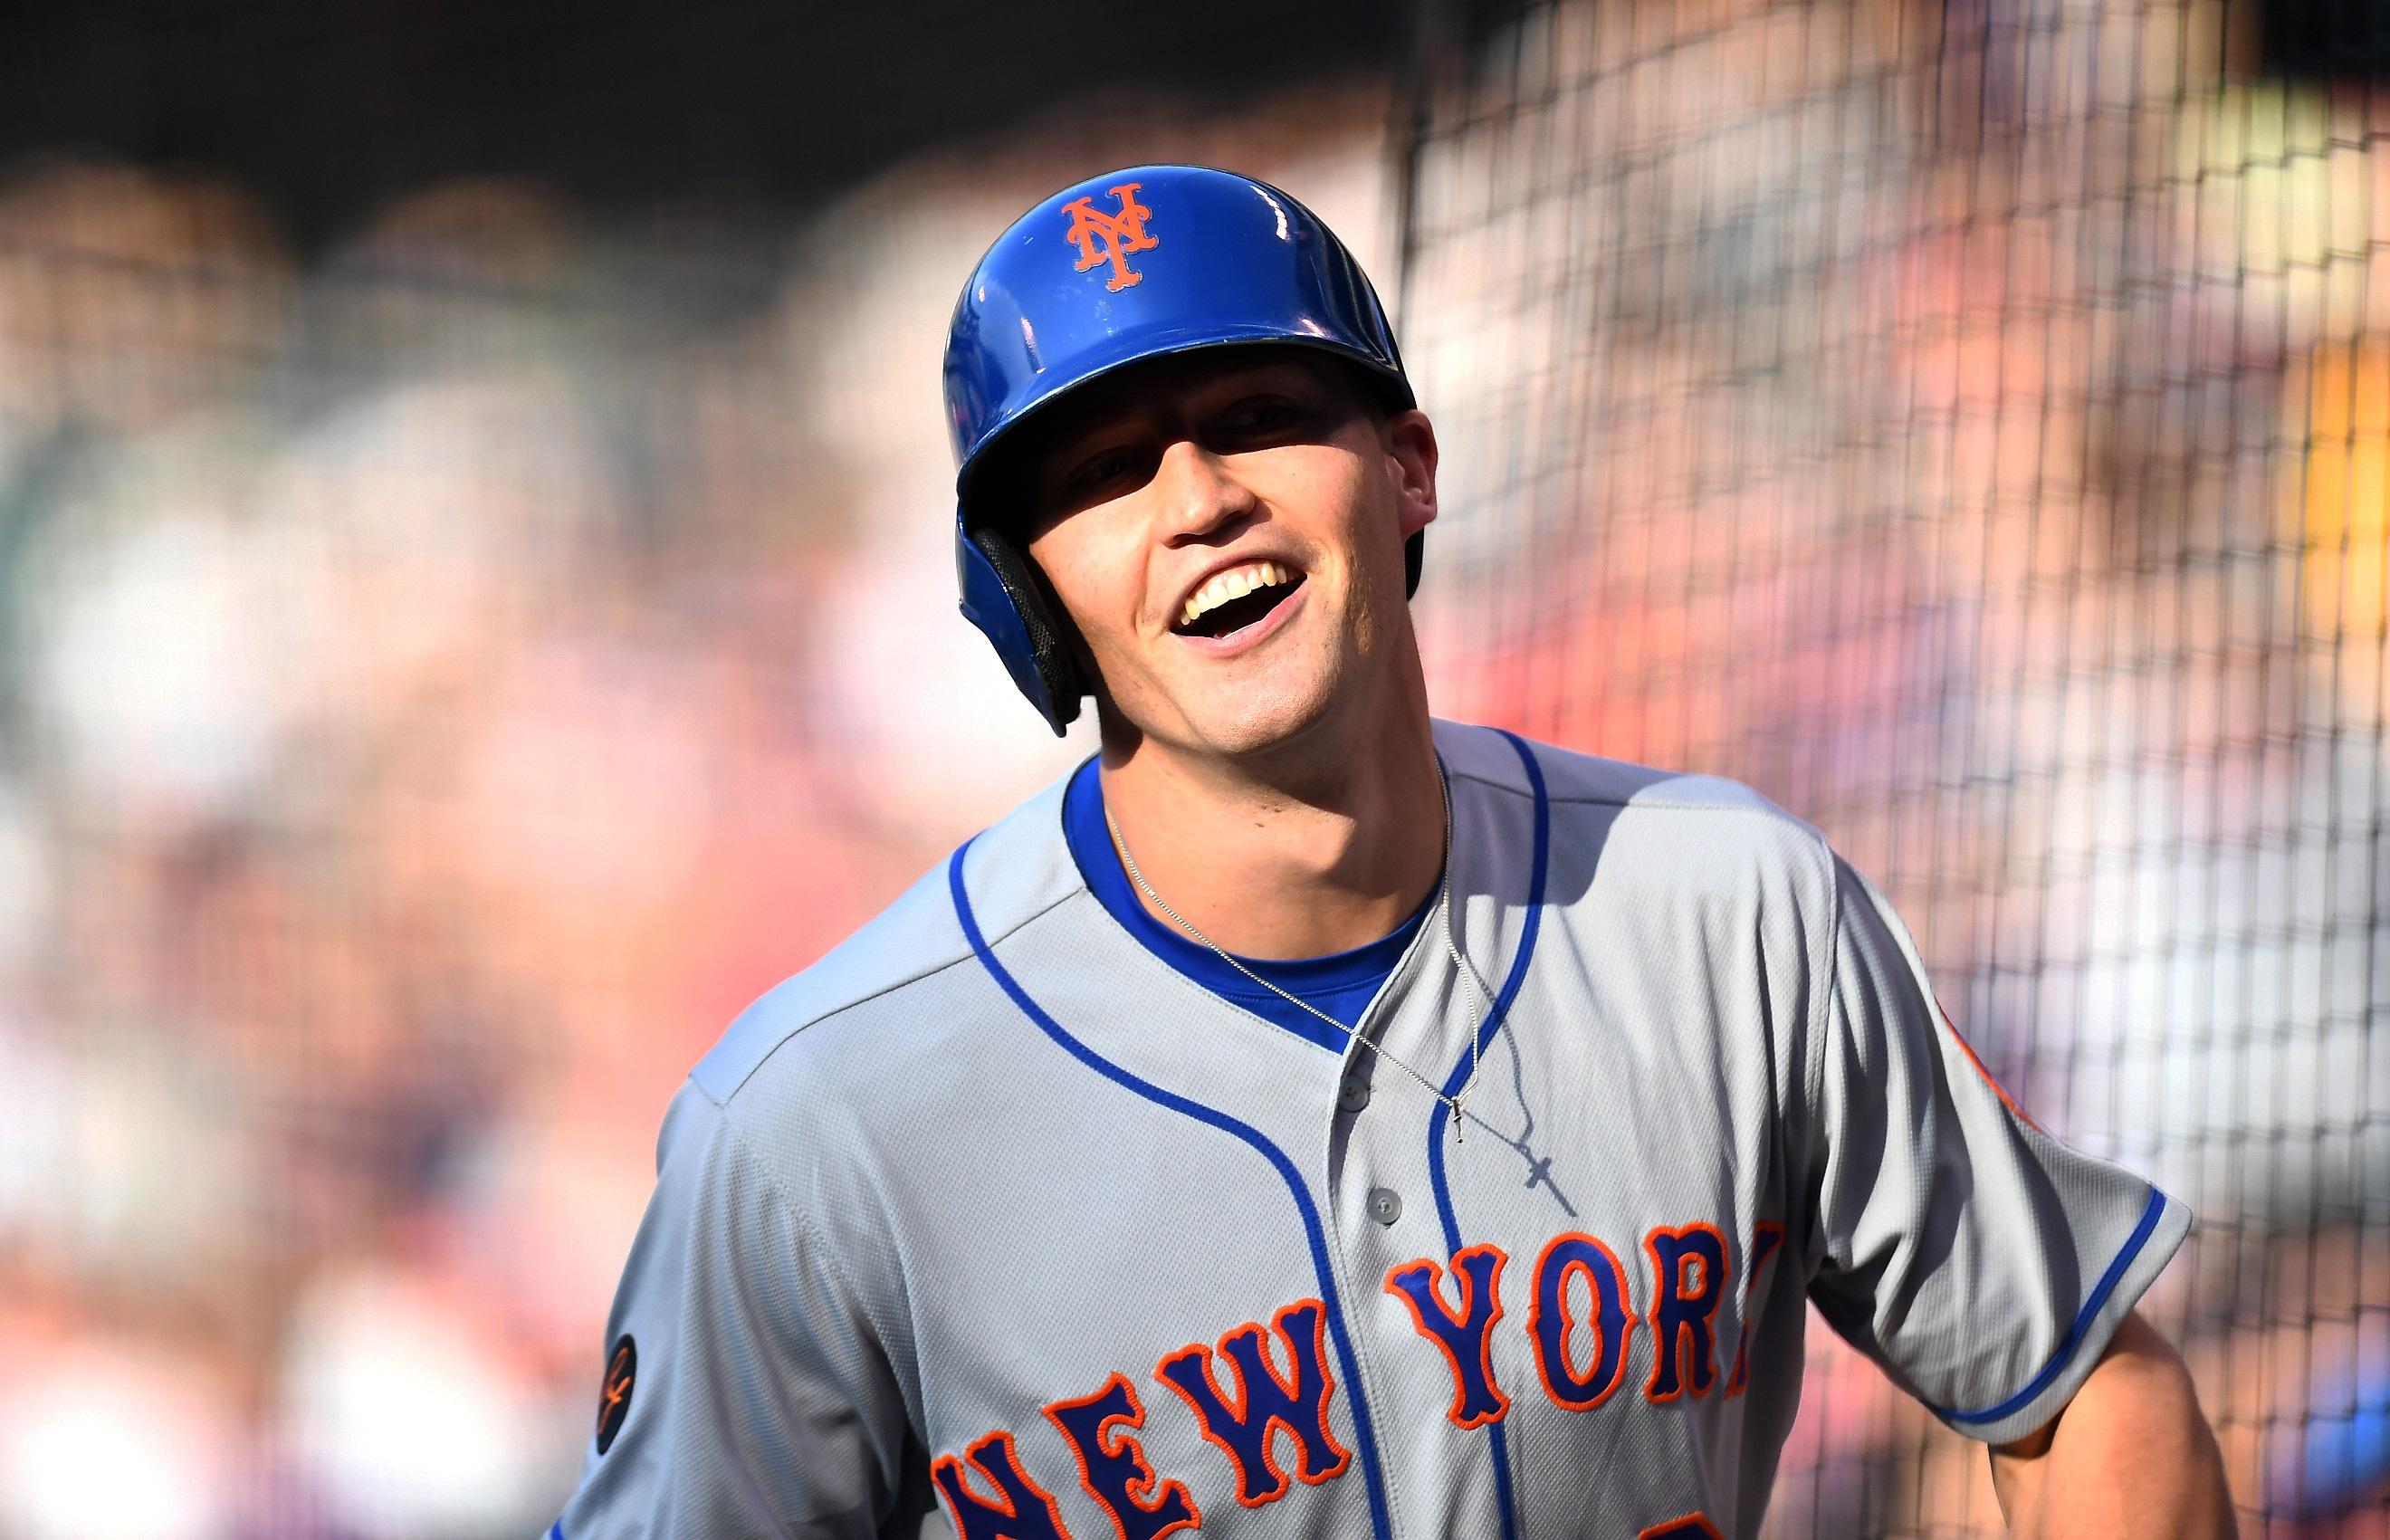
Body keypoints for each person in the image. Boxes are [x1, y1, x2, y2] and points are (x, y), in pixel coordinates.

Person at [546, 165, 2233, 1540]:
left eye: (1262, 413)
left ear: (1409, 469)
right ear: (1026, 596)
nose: (1199, 495)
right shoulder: (817, 1132)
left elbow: (2094, 1390)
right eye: (1105, 469)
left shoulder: (1728, 912)